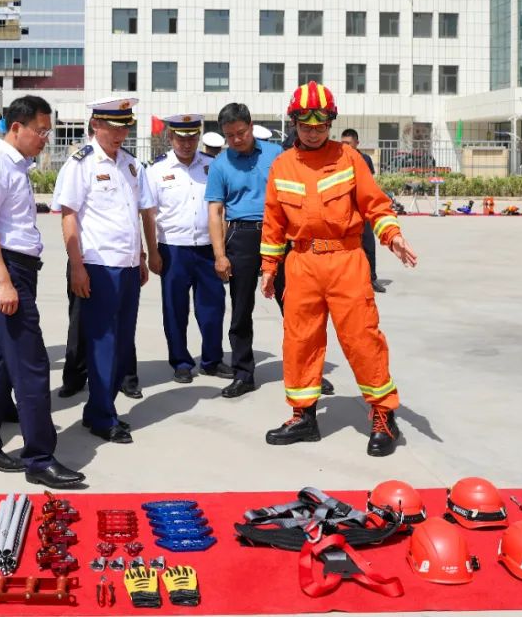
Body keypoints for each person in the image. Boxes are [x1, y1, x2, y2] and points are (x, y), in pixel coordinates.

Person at [260, 82, 418, 457]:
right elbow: (273, 222)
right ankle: (303, 416)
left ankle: (383, 416)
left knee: (363, 340)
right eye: (305, 124)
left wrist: (391, 235)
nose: (313, 131)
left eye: (320, 124)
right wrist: (269, 267)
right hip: (302, 264)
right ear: (294, 123)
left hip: (346, 261)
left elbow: (375, 204)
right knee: (300, 342)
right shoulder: (282, 166)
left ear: (330, 122)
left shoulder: (349, 159)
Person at [0, 96, 86, 489]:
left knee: (0, 359)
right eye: (41, 130)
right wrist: (3, 281)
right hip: (6, 270)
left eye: (48, 131)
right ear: (15, 127)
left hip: (18, 268)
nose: (45, 138)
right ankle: (39, 457)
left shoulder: (16, 166)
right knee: (31, 365)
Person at [56, 98, 152, 443]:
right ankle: (102, 416)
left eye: (125, 126)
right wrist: (76, 266)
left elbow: (133, 216)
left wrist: (140, 256)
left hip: (127, 267)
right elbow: (68, 216)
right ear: (96, 124)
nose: (119, 133)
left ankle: (99, 408)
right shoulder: (80, 163)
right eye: (113, 126)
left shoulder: (130, 165)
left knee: (123, 344)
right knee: (103, 345)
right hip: (98, 266)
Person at [205, 103, 284, 399]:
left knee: (294, 306)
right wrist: (219, 254)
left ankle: (307, 370)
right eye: (230, 135)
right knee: (240, 309)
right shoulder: (221, 165)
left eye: (240, 132)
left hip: (279, 234)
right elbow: (215, 211)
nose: (236, 140)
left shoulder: (276, 154)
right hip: (241, 236)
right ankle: (243, 373)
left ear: (251, 126)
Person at [143, 114, 229, 383]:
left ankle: (212, 360)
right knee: (175, 309)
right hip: (173, 250)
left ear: (199, 137)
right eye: (180, 137)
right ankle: (181, 362)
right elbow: (149, 215)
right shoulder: (156, 170)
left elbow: (221, 209)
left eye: (192, 137)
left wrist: (221, 251)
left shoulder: (213, 166)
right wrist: (153, 252)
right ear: (170, 138)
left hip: (207, 248)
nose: (186, 143)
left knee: (213, 308)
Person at [340, 128, 383, 293]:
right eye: (343, 143)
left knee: (368, 245)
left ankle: (372, 278)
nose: (345, 146)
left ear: (357, 143)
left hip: (362, 210)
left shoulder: (365, 159)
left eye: (348, 143)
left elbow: (370, 185)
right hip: (343, 211)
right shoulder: (337, 160)